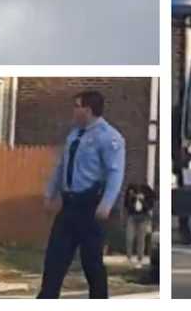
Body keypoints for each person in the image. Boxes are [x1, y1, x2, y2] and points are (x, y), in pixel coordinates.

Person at [37, 91, 126, 299]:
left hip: (90, 205)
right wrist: (50, 193)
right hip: (69, 206)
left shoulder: (109, 137)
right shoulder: (75, 134)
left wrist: (106, 204)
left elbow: (115, 172)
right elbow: (61, 166)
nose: (74, 110)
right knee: (54, 261)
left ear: (88, 109)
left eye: (77, 106)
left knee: (92, 263)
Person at [124, 183, 154, 267]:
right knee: (129, 237)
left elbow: (149, 206)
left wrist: (142, 200)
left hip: (143, 217)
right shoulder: (130, 192)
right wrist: (132, 198)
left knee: (141, 239)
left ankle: (139, 258)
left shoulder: (147, 193)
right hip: (132, 216)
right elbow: (126, 205)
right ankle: (129, 257)